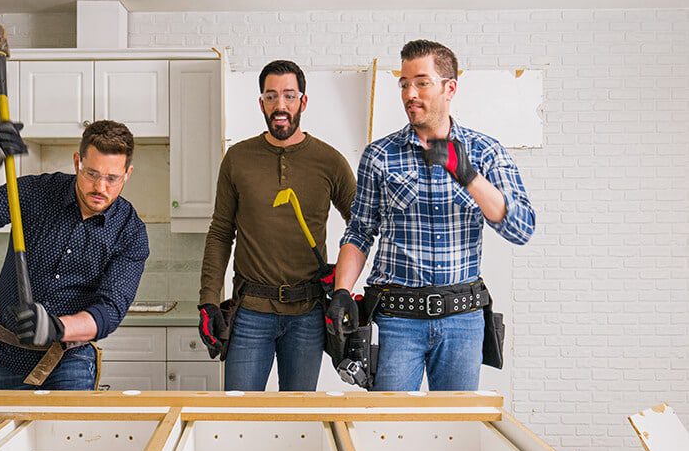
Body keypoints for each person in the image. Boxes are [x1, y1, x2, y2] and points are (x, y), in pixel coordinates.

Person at [328, 39, 535, 392]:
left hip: (462, 321)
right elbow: (360, 231)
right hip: (396, 320)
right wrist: (342, 292)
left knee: (455, 423)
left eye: (422, 82)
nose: (410, 94)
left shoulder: (485, 152)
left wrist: (467, 175)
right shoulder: (380, 155)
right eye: (404, 84)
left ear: (449, 88)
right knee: (389, 422)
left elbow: (521, 228)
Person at [0, 119, 149, 390]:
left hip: (69, 362)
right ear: (77, 162)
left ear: (127, 174)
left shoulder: (130, 231)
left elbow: (109, 310)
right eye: (92, 174)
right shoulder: (34, 193)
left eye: (112, 178)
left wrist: (55, 327)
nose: (100, 187)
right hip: (3, 358)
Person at [198, 60, 357, 391]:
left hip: (308, 314)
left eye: (289, 95)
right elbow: (220, 233)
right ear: (261, 103)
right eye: (271, 96)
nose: (279, 105)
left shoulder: (329, 161)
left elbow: (361, 227)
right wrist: (209, 300)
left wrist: (342, 283)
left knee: (297, 414)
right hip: (250, 312)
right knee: (238, 411)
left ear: (303, 101)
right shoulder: (238, 159)